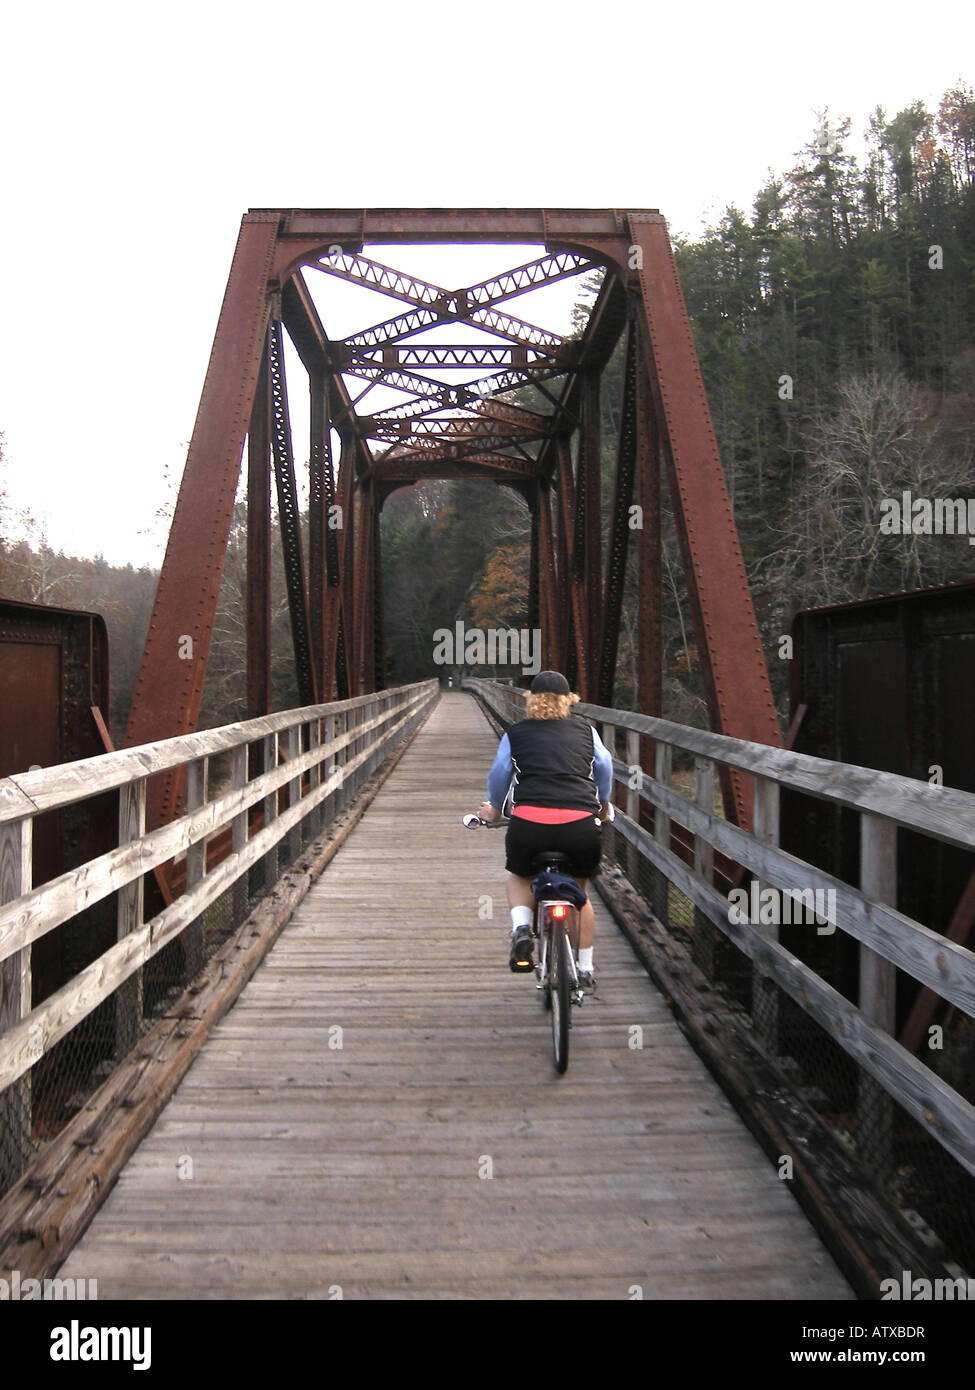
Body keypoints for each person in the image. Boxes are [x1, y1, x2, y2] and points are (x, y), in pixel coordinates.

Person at [477, 670, 614, 990]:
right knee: (580, 893)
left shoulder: (517, 733)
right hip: (579, 825)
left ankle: (522, 930)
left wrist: (495, 810)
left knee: (521, 877)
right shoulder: (586, 731)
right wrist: (603, 805)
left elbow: (499, 774)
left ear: (531, 700)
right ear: (569, 700)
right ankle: (584, 968)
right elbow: (604, 766)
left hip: (529, 826)